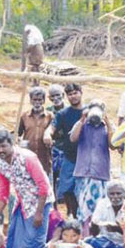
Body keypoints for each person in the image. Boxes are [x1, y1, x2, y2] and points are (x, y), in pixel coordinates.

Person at [0, 130, 53, 248]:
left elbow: (43, 186)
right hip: (22, 202)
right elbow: (3, 194)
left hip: (40, 202)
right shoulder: (0, 165)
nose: (1, 150)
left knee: (35, 242)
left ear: (12, 144)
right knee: (14, 242)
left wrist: (39, 213)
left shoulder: (27, 158)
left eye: (3, 146)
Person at [70, 100, 113, 228]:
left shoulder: (107, 127)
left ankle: (97, 234)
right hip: (83, 173)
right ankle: (84, 234)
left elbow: (114, 144)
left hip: (100, 174)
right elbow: (73, 138)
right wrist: (82, 119)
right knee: (83, 210)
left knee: (100, 208)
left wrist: (108, 123)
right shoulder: (82, 125)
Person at [48, 83, 84, 218]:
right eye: (70, 94)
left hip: (86, 157)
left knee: (83, 188)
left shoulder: (89, 112)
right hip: (69, 155)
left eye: (75, 93)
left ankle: (83, 216)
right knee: (67, 187)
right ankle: (70, 213)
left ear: (81, 92)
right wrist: (47, 134)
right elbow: (52, 128)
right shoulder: (63, 114)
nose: (73, 96)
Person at [85, 181, 125, 248]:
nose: (115, 197)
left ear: (124, 194)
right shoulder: (102, 204)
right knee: (90, 243)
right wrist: (95, 226)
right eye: (112, 194)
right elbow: (94, 225)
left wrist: (118, 229)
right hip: (106, 241)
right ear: (107, 194)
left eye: (118, 193)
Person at [18, 86, 54, 177]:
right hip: (28, 156)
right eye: (34, 100)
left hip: (44, 158)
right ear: (30, 100)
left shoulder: (50, 116)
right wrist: (19, 142)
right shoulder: (24, 116)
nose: (37, 103)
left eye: (39, 100)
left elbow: (55, 135)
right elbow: (17, 134)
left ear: (44, 101)